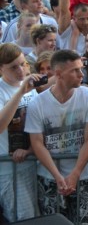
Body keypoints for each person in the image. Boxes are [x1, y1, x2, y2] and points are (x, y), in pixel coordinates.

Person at [25, 50, 88, 223]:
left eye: (81, 69)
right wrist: (57, 176)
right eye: (74, 70)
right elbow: (37, 144)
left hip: (84, 175)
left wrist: (75, 173)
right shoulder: (36, 104)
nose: (81, 74)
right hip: (48, 177)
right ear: (59, 74)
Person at [0, 44, 41, 221]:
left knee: (40, 216)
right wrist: (20, 92)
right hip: (9, 168)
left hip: (33, 162)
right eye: (13, 67)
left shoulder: (33, 90)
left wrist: (31, 149)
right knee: (24, 217)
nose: (21, 70)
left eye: (23, 64)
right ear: (1, 69)